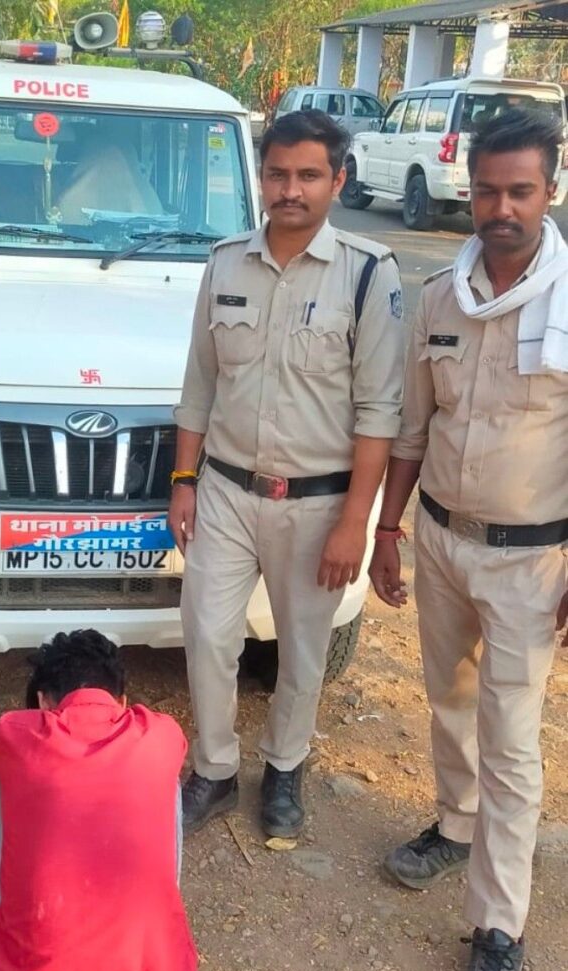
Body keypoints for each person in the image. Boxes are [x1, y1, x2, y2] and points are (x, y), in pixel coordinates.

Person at [368, 109, 568, 971]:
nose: (500, 208)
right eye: (486, 190)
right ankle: (454, 822)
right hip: (443, 541)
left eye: (519, 191)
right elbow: (414, 427)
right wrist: (387, 527)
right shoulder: (440, 296)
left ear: (549, 191)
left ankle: (497, 928)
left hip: (531, 560)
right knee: (446, 697)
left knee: (512, 741)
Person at [170, 109, 406, 837]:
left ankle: (283, 769)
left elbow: (380, 412)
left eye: (308, 175)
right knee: (207, 634)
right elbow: (199, 385)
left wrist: (354, 523)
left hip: (317, 503)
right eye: (277, 174)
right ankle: (213, 770)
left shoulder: (368, 273)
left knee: (301, 651)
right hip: (225, 492)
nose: (290, 190)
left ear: (338, 180)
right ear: (260, 177)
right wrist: (183, 481)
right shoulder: (224, 262)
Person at [0, 629, 196, 971]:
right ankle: (144, 937)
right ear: (122, 700)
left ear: (43, 701)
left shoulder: (18, 734)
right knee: (162, 775)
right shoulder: (161, 732)